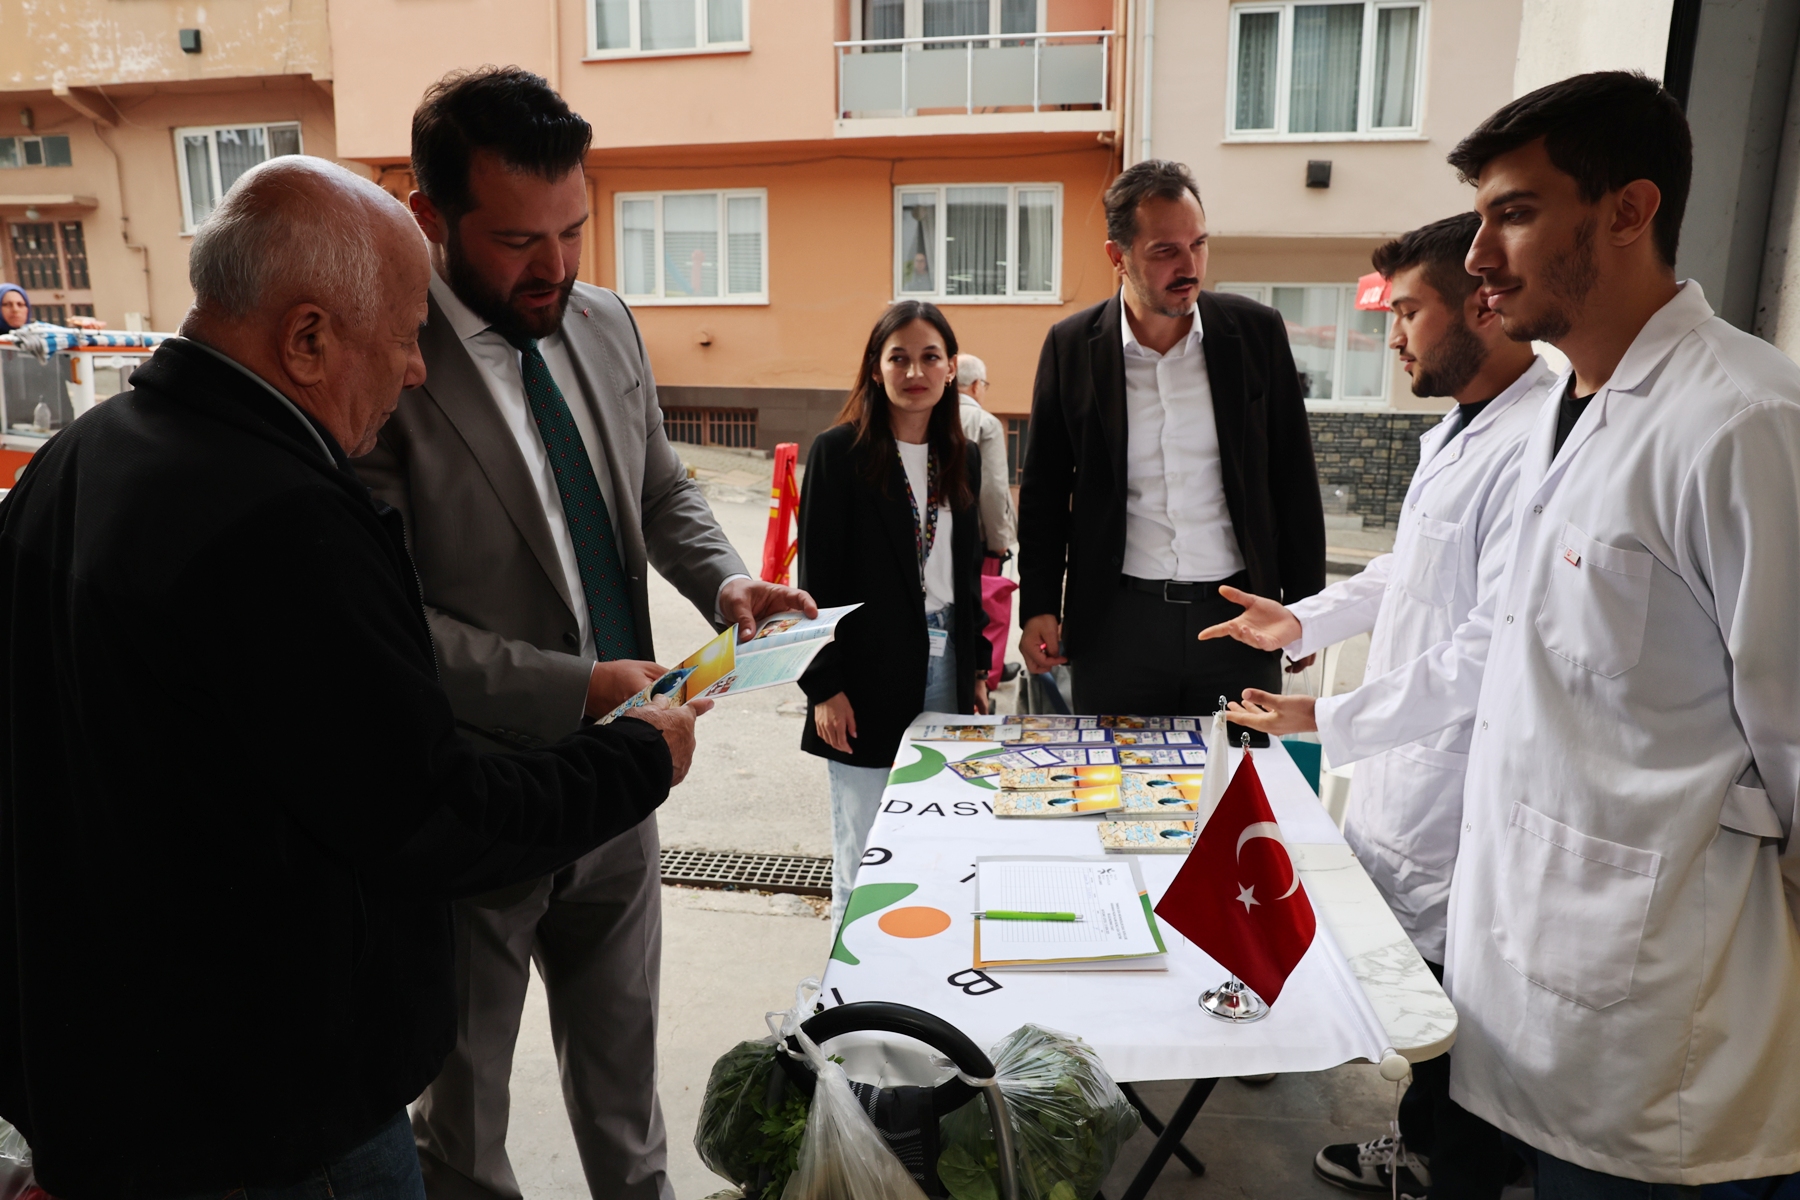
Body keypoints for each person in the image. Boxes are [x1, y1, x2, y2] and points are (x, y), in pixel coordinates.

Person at [0, 157, 707, 1200]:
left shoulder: (82, 455)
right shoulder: (281, 522)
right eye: (408, 335)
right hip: (272, 1111)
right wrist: (634, 760)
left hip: (108, 1073)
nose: (418, 371)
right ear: (308, 338)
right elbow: (423, 812)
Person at [352, 68, 810, 1200]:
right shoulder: (388, 361)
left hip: (627, 774)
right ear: (430, 215)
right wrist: (575, 686)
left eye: (573, 230)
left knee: (625, 1089)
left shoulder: (603, 321)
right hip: (477, 798)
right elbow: (388, 624)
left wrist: (726, 581)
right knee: (464, 1121)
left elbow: (659, 487)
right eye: (518, 241)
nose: (554, 267)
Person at [1360, 72, 1796, 1196]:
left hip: (1671, 1042)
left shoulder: (1745, 421)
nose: (1478, 257)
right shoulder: (1566, 414)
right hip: (1535, 1007)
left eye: (1514, 213)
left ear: (1629, 210)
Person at [1200, 211, 1558, 1200]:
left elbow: (1488, 643)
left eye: (1407, 312)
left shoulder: (1538, 441)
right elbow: (1407, 570)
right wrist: (1301, 620)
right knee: (1428, 991)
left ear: (1481, 306)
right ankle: (1428, 1146)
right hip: (1415, 761)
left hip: (1464, 781)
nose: (1392, 336)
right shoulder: (1463, 427)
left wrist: (1331, 718)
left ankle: (1457, 1170)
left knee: (1461, 1010)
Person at [1016, 159, 1326, 715]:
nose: (1190, 267)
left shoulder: (1256, 333)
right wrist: (1038, 603)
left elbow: (1293, 478)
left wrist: (1307, 610)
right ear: (1118, 256)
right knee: (1116, 772)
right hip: (1116, 627)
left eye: (1198, 244)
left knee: (1240, 768)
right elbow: (1044, 490)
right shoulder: (1071, 347)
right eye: (1165, 251)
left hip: (1239, 621)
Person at [797, 301, 989, 923]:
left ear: (951, 368)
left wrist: (977, 669)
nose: (914, 372)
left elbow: (967, 572)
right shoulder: (839, 453)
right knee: (865, 846)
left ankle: (918, 970)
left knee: (936, 835)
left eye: (930, 357)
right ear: (875, 370)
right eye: (898, 358)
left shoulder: (961, 455)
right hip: (864, 674)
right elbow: (816, 583)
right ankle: (850, 977)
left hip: (947, 661)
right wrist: (825, 687)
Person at [954, 353, 1018, 560]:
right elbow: (992, 488)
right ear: (975, 385)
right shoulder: (985, 423)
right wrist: (999, 540)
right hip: (975, 536)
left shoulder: (929, 417)